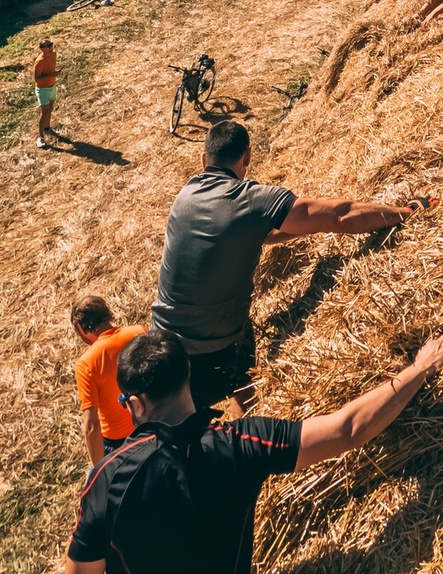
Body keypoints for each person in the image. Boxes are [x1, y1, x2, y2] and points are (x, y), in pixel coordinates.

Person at [52, 325, 443, 574]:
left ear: (134, 403)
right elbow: (347, 429)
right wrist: (419, 369)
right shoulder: (241, 443)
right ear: (187, 375)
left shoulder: (105, 480)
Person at [149, 120, 426, 411]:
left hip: (161, 345)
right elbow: (341, 215)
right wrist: (406, 211)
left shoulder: (185, 196)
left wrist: (310, 227)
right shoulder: (251, 200)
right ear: (247, 156)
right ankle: (250, 416)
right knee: (243, 368)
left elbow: (259, 234)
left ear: (204, 160)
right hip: (215, 350)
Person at [72, 296, 147, 467]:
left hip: (118, 444)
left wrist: (99, 471)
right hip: (151, 423)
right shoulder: (139, 332)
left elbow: (91, 427)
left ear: (82, 328)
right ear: (108, 314)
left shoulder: (86, 364)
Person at [36, 38, 59, 148]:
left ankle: (47, 128)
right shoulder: (39, 61)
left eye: (50, 45)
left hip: (52, 86)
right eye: (47, 46)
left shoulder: (54, 55)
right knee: (44, 112)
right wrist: (51, 76)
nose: (50, 47)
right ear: (41, 49)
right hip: (43, 89)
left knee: (50, 109)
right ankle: (40, 137)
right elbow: (37, 78)